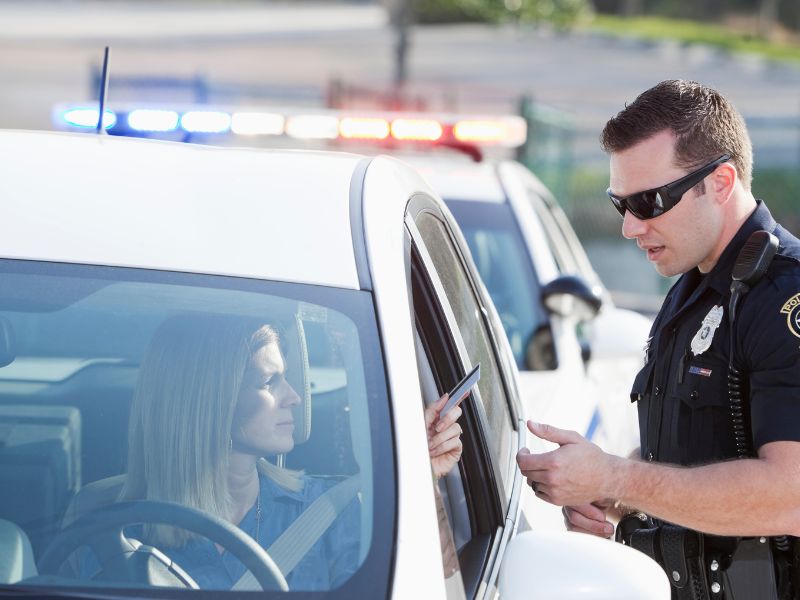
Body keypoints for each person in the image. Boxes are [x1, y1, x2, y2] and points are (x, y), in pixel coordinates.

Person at [516, 80, 800, 598]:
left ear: (720, 181)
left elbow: (791, 496)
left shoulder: (785, 297)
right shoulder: (691, 289)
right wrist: (616, 503)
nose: (629, 226)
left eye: (649, 201)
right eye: (618, 203)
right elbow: (691, 462)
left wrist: (616, 479)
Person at [112, 313, 463, 590]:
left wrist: (422, 479)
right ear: (210, 403)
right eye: (269, 382)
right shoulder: (121, 535)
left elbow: (433, 577)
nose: (294, 397)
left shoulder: (328, 510)